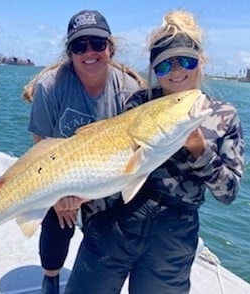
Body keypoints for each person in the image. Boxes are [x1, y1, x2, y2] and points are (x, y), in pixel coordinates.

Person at [65, 9, 245, 294]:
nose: (175, 72)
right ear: (153, 70)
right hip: (115, 222)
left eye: (185, 61)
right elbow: (115, 164)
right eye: (164, 66)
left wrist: (201, 152)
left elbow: (229, 193)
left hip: (173, 237)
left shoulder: (223, 116)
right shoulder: (139, 104)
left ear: (201, 61)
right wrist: (81, 196)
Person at [23, 9, 146, 294]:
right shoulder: (50, 86)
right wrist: (56, 196)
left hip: (110, 172)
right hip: (61, 171)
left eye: (97, 44)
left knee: (117, 223)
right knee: (58, 221)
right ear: (70, 52)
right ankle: (50, 278)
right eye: (80, 45)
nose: (89, 52)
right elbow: (41, 141)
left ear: (110, 48)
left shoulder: (129, 88)